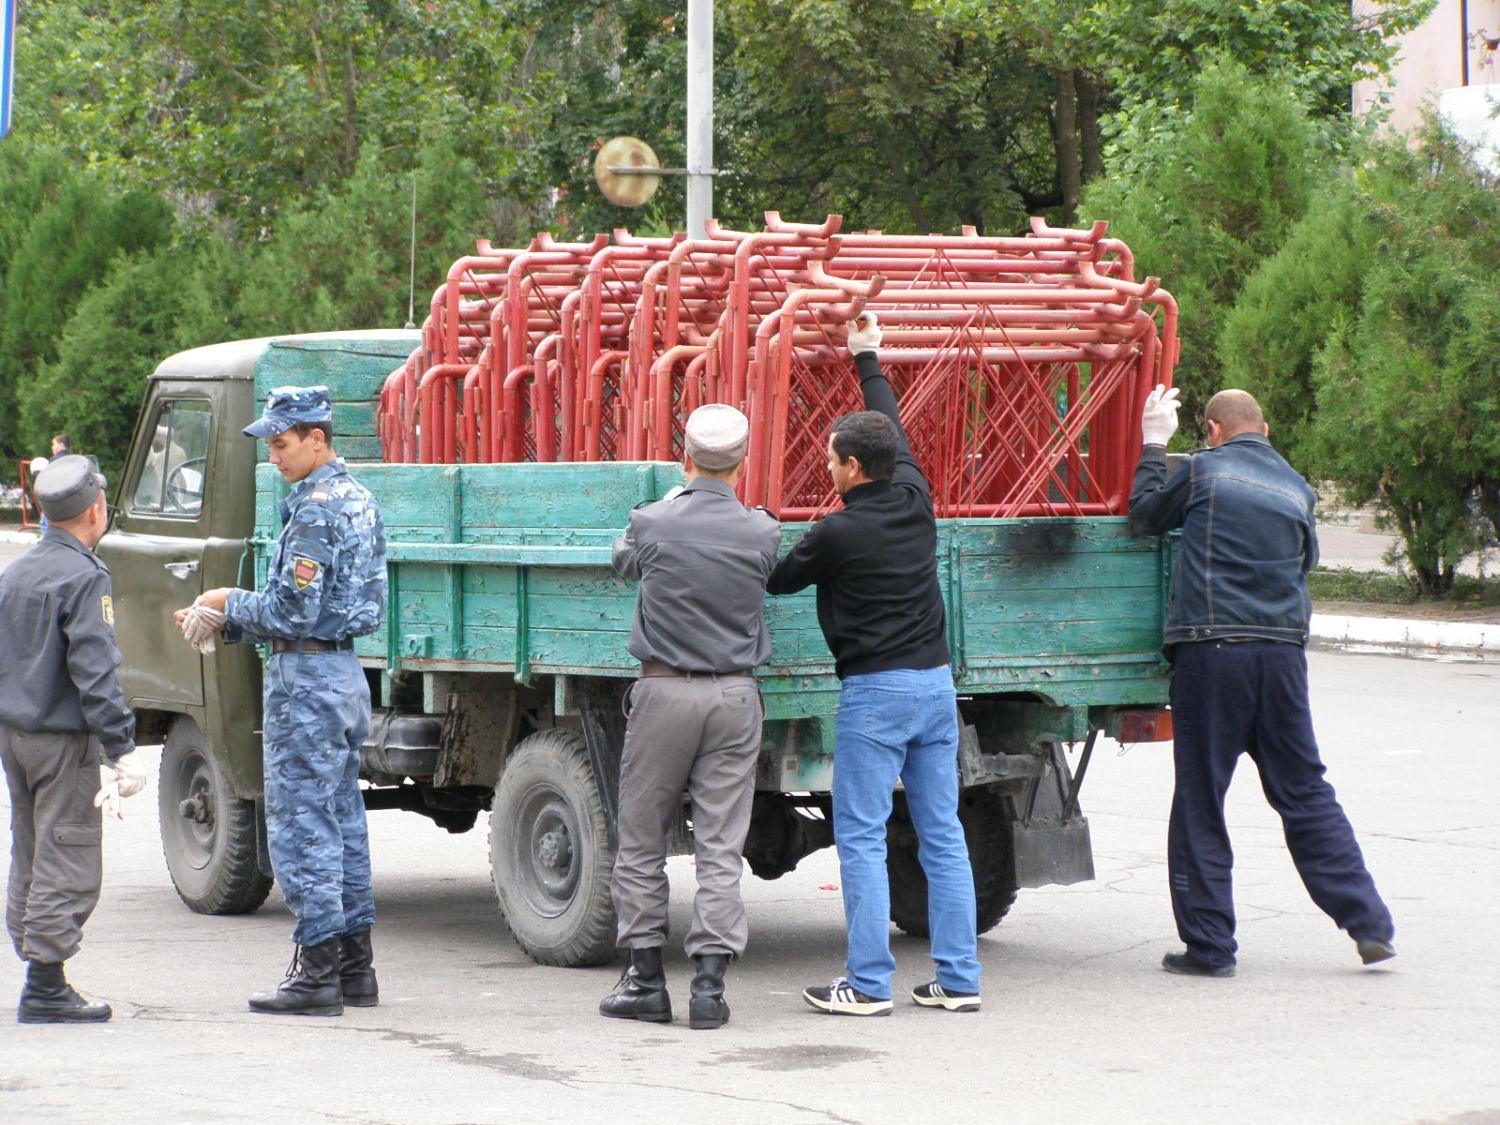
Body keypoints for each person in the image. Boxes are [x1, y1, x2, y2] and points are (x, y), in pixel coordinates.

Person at [1128, 385, 1397, 977]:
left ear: (1213, 430)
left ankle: (1210, 948)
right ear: (1266, 429)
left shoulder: (1203, 471)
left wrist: (1153, 443)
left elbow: (1144, 516)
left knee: (1201, 798)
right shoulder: (1297, 488)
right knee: (1305, 791)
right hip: (1282, 658)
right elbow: (1305, 562)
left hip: (1213, 653)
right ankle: (1370, 923)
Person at [767, 313, 981, 1017]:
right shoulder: (916, 499)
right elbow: (895, 428)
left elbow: (776, 579)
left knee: (860, 836)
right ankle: (958, 980)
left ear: (854, 469)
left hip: (876, 695)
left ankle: (866, 984)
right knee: (942, 833)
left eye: (832, 459)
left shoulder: (837, 531)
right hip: (935, 687)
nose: (827, 468)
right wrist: (868, 357)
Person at [182, 386, 387, 1016]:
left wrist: (224, 602)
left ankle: (316, 973)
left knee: (303, 824)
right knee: (343, 820)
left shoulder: (316, 511)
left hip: (306, 681)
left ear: (317, 439)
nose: (273, 456)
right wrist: (234, 621)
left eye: (282, 443)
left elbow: (292, 611)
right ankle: (355, 969)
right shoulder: (359, 498)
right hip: (342, 672)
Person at [600, 403, 780, 1030]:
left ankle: (646, 982)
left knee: (642, 839)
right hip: (735, 697)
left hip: (663, 695)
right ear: (742, 464)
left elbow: (623, 561)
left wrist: (670, 503)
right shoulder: (762, 531)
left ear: (686, 460)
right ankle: (709, 990)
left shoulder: (652, 522)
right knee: (720, 844)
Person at [0, 455, 146, 1023]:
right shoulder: (84, 576)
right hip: (60, 742)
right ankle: (44, 986)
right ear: (96, 510)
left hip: (15, 735)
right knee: (67, 852)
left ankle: (37, 963)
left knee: (32, 848)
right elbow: (95, 670)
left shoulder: (18, 570)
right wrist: (122, 748)